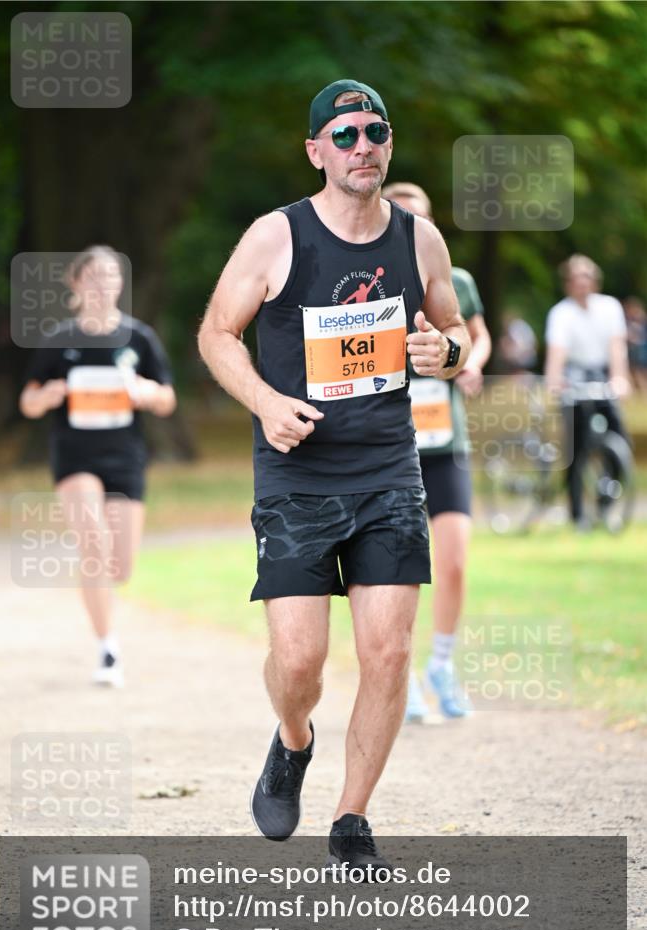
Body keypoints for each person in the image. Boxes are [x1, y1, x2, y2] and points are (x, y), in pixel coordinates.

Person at [198, 80, 470, 877]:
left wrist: (445, 354)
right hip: (296, 476)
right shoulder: (276, 237)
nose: (362, 146)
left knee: (386, 655)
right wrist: (263, 401)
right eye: (344, 134)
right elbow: (216, 333)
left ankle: (351, 818)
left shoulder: (420, 241)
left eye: (374, 131)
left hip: (389, 471)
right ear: (316, 150)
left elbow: (453, 332)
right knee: (300, 662)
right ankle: (292, 741)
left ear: (388, 143)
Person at [19, 245, 176, 687]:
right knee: (93, 543)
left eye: (110, 276)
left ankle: (105, 618)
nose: (102, 284)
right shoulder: (60, 338)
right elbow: (28, 401)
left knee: (119, 565)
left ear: (120, 285)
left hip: (125, 458)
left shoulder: (139, 338)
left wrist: (146, 391)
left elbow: (167, 399)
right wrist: (47, 394)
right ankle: (108, 649)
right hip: (75, 457)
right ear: (76, 284)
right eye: (93, 276)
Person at [382, 183, 492, 722]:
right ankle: (400, 680)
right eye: (403, 216)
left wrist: (469, 363)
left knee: (453, 561)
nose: (414, 226)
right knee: (399, 569)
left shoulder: (456, 280)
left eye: (421, 218)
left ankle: (441, 666)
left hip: (445, 443)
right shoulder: (372, 279)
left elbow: (477, 335)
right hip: (389, 445)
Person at [544, 254, 631, 528]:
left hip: (601, 375)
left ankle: (607, 501)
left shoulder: (610, 307)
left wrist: (620, 378)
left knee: (619, 438)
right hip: (574, 378)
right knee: (576, 448)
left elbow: (617, 348)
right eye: (577, 278)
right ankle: (577, 514)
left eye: (587, 278)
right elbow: (557, 354)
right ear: (568, 283)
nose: (582, 283)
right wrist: (555, 381)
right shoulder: (561, 313)